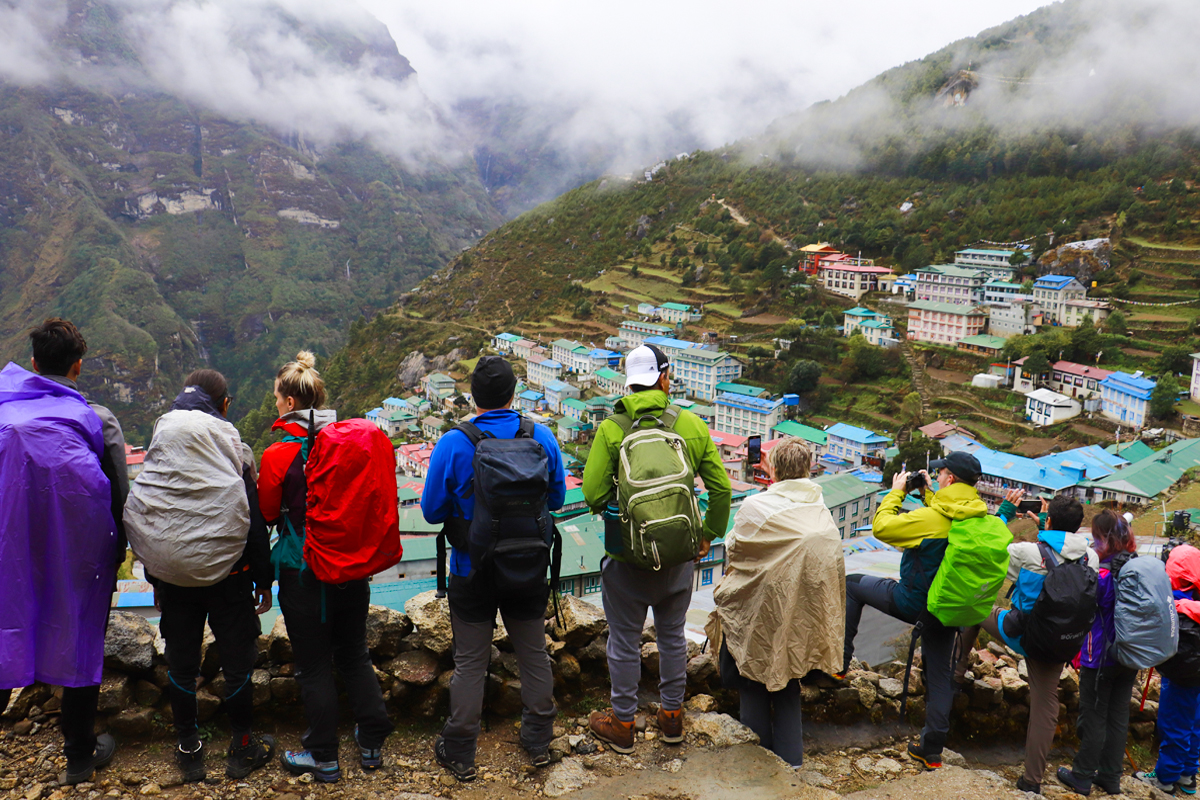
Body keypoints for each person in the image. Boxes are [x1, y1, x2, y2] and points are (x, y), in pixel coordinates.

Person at [420, 356, 566, 782]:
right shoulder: (540, 436)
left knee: (469, 662)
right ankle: (538, 739)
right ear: (513, 394)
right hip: (527, 564)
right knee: (533, 653)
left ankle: (461, 749)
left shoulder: (454, 442)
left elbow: (430, 511)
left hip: (472, 568)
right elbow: (555, 500)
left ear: (473, 397)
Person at [125, 370, 275, 782]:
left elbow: (154, 510)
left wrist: (156, 577)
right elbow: (253, 521)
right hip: (230, 577)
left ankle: (189, 749)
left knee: (182, 665)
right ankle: (242, 747)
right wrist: (264, 580)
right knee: (238, 662)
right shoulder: (232, 448)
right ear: (223, 405)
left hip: (174, 581)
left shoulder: (161, 441)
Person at [582, 344, 732, 753]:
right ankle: (671, 719)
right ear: (664, 378)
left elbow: (593, 493)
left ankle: (623, 724)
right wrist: (706, 536)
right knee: (670, 638)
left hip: (628, 559)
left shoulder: (613, 428)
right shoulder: (691, 425)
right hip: (679, 559)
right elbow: (721, 490)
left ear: (628, 383)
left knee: (624, 641)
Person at [0, 318, 128, 785]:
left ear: (32, 365)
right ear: (77, 367)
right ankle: (78, 756)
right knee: (79, 632)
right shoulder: (96, 418)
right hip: (77, 550)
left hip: (7, 547)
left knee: (2, 625)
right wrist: (118, 552)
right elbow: (117, 493)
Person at [258, 352, 394, 782]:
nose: (275, 404)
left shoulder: (280, 454)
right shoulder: (349, 443)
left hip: (306, 573)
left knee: (314, 664)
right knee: (353, 653)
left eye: (278, 397)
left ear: (290, 404)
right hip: (352, 566)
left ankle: (322, 755)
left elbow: (265, 513)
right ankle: (371, 739)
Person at [844, 450, 987, 770]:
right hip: (949, 608)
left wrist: (897, 492)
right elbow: (944, 512)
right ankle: (931, 750)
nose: (936, 477)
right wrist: (927, 494)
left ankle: (840, 663)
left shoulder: (931, 519)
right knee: (939, 677)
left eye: (940, 474)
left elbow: (882, 528)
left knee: (852, 584)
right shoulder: (978, 517)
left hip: (914, 602)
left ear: (950, 478)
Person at [708, 438, 844, 766]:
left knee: (753, 678)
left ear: (772, 469)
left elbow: (735, 552)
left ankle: (755, 765)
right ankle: (791, 767)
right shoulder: (821, 511)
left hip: (763, 609)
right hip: (803, 615)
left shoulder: (757, 507)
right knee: (788, 684)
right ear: (808, 468)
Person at [955, 492, 1097, 794]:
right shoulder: (1090, 557)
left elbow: (989, 552)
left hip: (1023, 633)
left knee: (977, 609)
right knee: (1046, 705)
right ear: (1078, 525)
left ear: (1049, 519)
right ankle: (1031, 781)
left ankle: (954, 676)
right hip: (1061, 641)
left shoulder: (1027, 553)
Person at [1057, 510, 1139, 796]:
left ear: (1107, 539)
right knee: (1117, 717)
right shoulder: (1133, 567)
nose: (1092, 543)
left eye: (1095, 538)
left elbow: (1086, 606)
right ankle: (1110, 776)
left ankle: (1081, 775)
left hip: (1100, 656)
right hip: (1129, 653)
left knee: (1093, 715)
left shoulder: (1103, 574)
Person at [1135, 543, 1200, 795]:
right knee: (1194, 722)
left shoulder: (1171, 602)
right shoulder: (1195, 601)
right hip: (1196, 678)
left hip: (1178, 675)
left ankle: (1165, 778)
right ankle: (1187, 774)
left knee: (1173, 724)